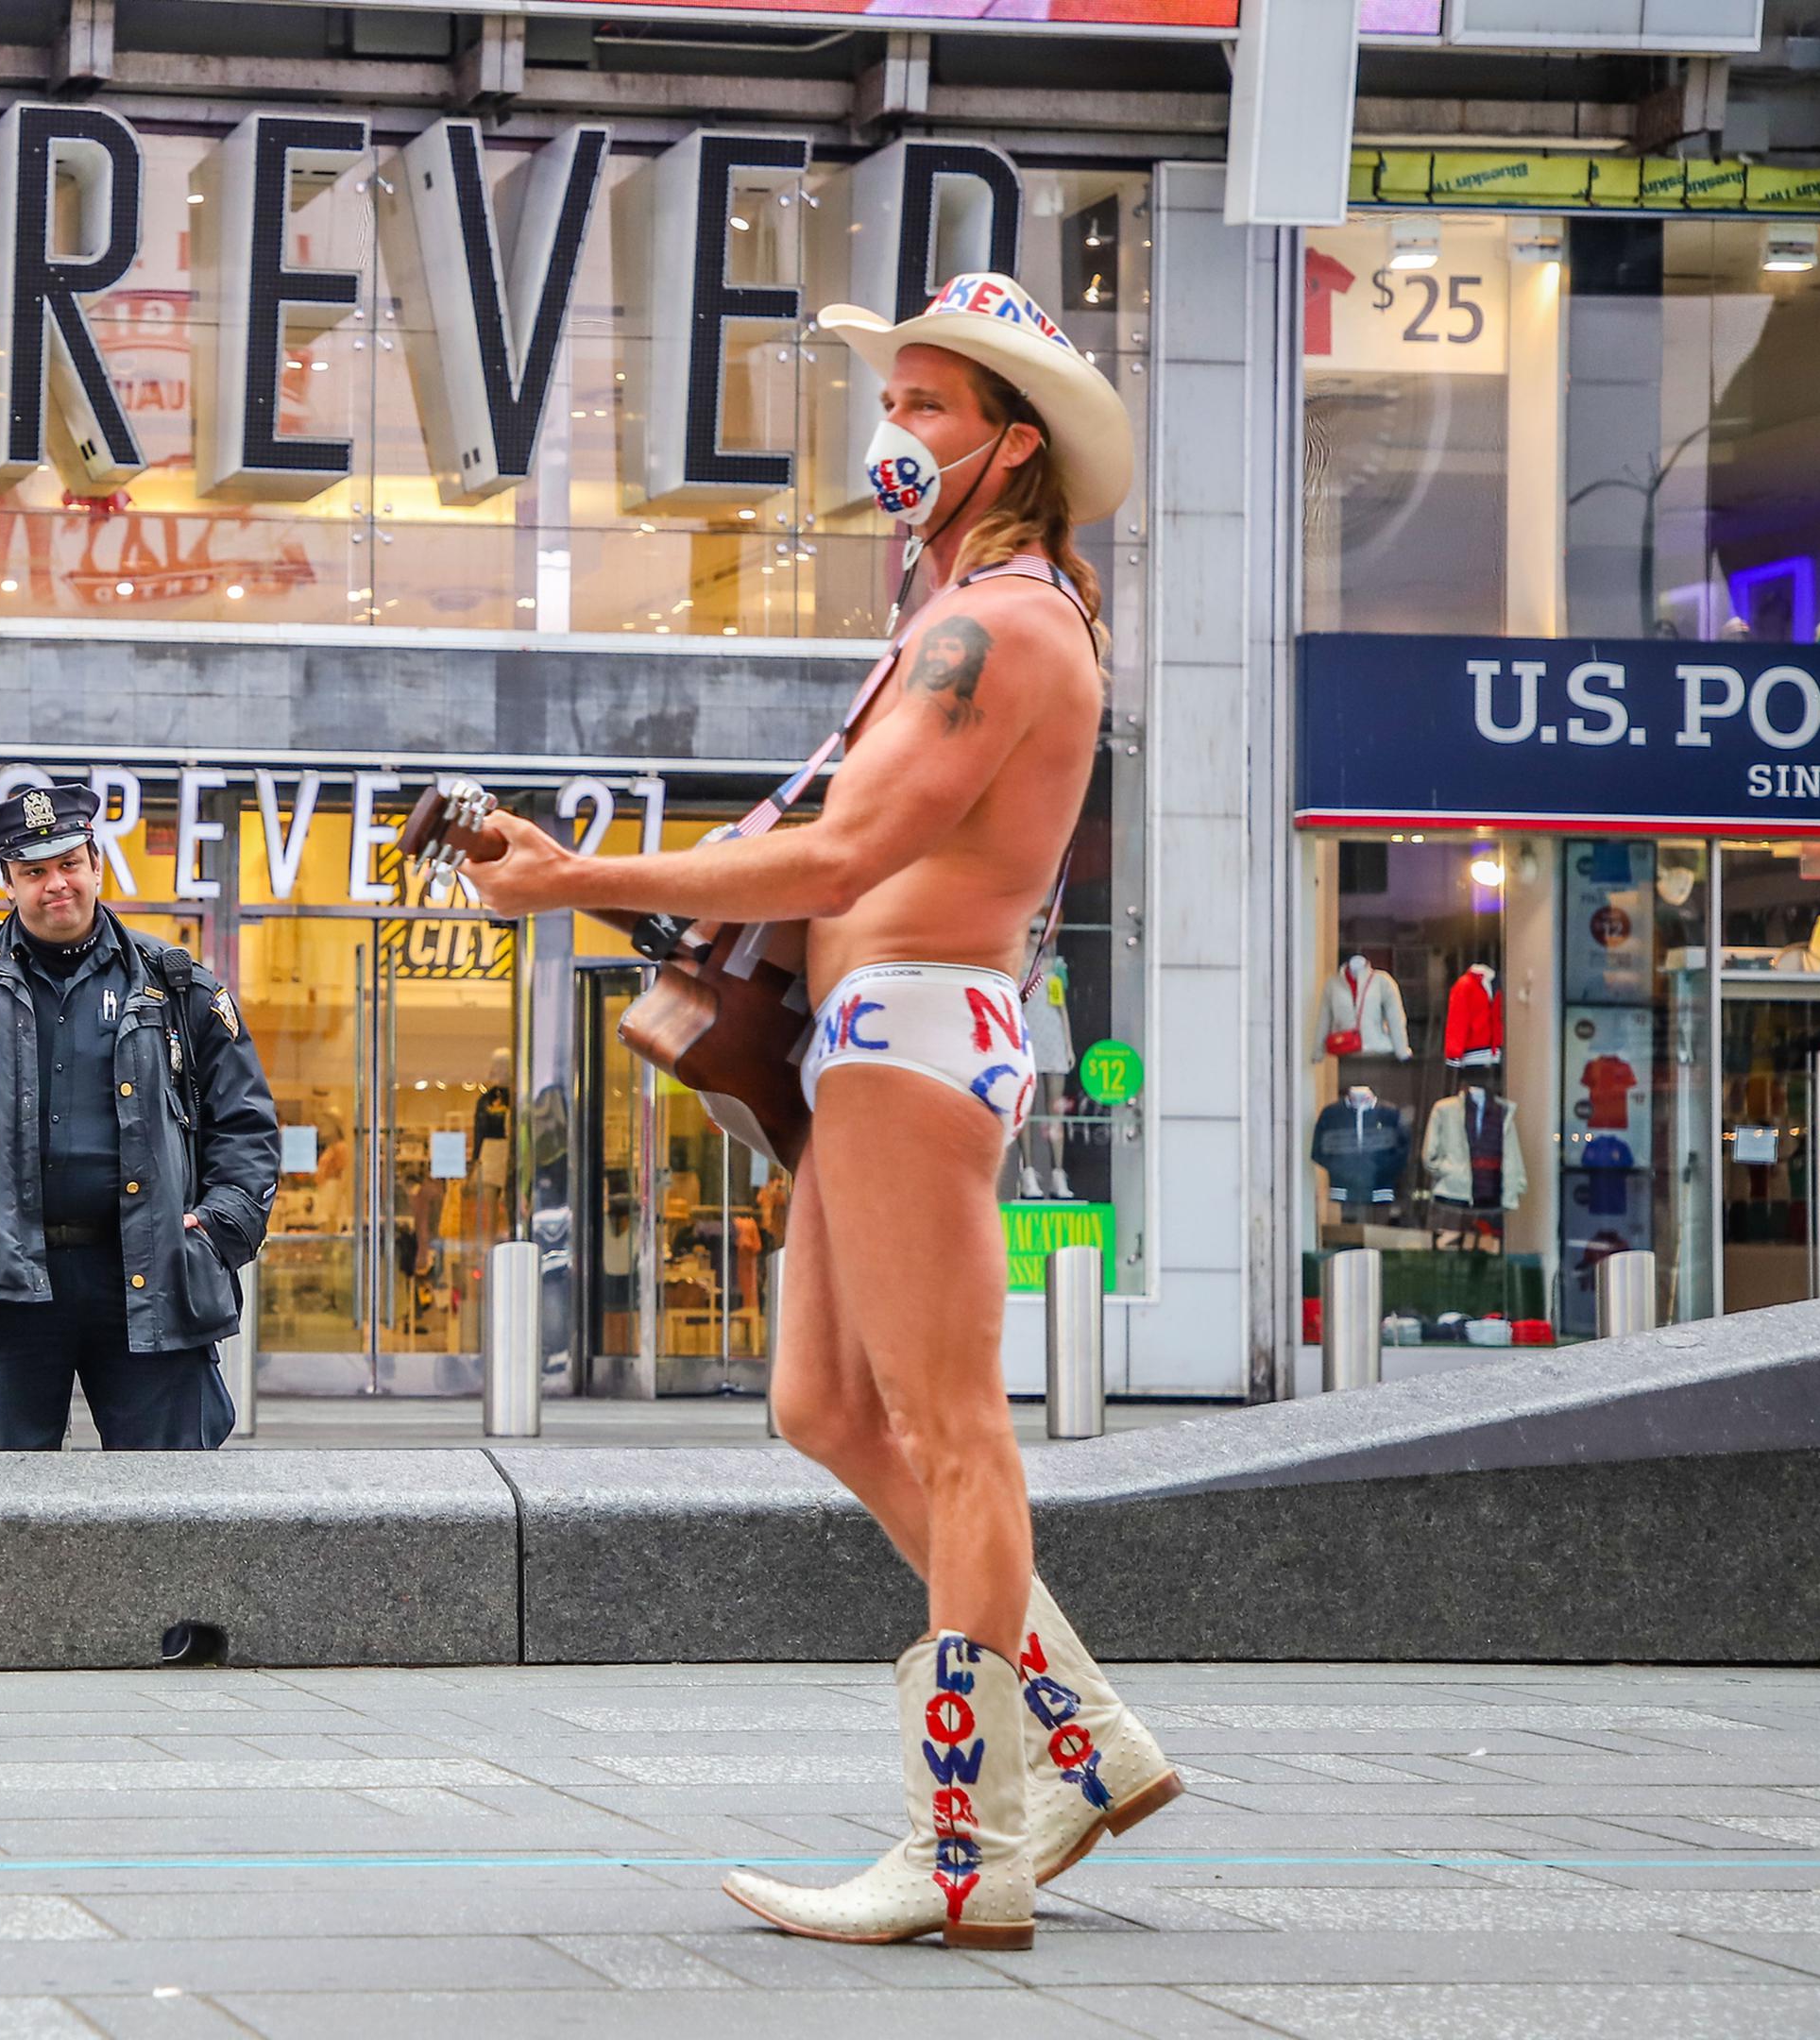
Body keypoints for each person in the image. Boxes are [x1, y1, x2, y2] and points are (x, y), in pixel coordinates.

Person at [462, 272, 1181, 1951]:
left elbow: (847, 857)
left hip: (917, 1030)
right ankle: (1085, 1742)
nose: (894, 432)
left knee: (950, 1431)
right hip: (885, 1029)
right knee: (821, 1407)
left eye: (930, 407)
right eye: (898, 398)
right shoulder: (972, 616)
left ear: (1013, 449)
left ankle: (967, 1846)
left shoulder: (992, 625)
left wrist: (580, 876)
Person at [0, 778, 279, 1450]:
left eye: (68, 864)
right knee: (0, 1508)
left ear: (95, 865)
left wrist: (222, 1226)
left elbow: (246, 1125)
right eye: (34, 871)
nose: (56, 884)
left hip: (149, 1273)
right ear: (9, 882)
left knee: (169, 1505)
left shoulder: (176, 984)